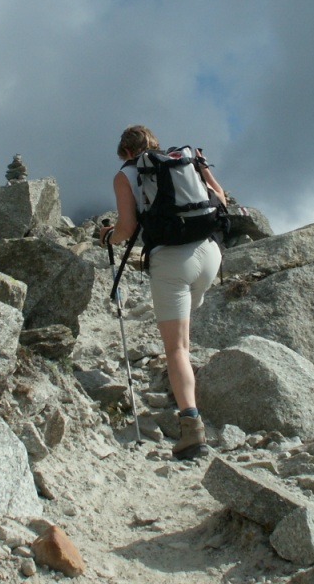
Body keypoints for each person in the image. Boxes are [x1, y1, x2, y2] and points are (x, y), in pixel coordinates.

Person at [100, 125, 226, 460]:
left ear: (126, 151)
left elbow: (126, 229)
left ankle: (191, 430)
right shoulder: (182, 161)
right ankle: (182, 385)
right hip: (211, 254)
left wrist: (107, 237)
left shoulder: (126, 174)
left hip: (172, 261)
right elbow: (221, 199)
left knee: (177, 349)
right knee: (185, 329)